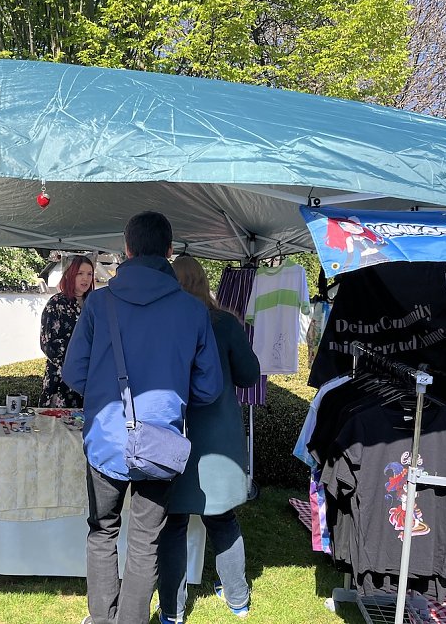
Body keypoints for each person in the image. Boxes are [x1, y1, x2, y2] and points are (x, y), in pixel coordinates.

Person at [63, 212, 223, 624]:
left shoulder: (99, 303)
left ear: (126, 249)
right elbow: (208, 388)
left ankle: (103, 619)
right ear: (170, 252)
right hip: (160, 443)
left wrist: (105, 395)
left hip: (105, 439)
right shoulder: (193, 311)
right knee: (145, 541)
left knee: (102, 533)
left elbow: (73, 372)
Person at [157, 255, 260, 623]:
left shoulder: (163, 322)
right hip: (218, 437)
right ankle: (238, 601)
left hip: (172, 434)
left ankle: (171, 610)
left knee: (173, 525)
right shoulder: (225, 323)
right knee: (222, 520)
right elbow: (249, 376)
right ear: (204, 281)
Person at [38, 255, 95, 408]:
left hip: (89, 379)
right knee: (57, 428)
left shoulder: (94, 304)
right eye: (80, 273)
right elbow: (48, 343)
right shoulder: (56, 303)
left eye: (89, 274)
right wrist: (78, 359)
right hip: (61, 378)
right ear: (70, 275)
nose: (86, 278)